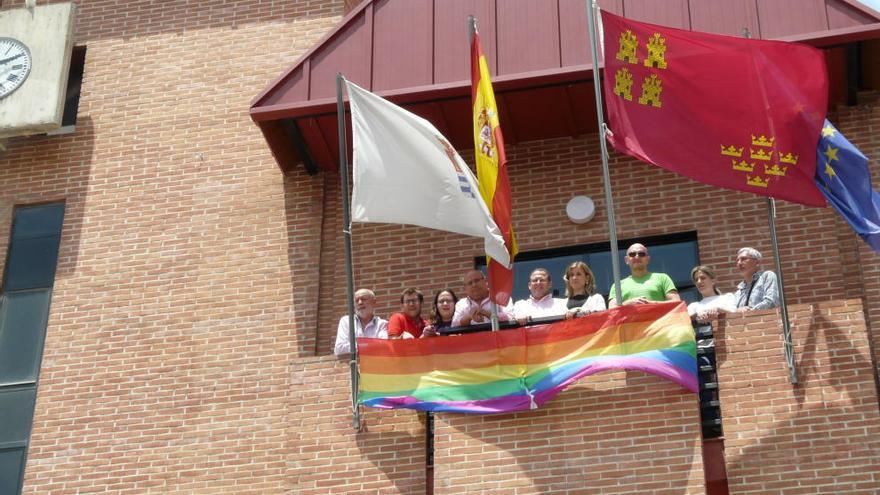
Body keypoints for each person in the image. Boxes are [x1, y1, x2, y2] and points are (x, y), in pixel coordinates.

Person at [608, 243, 680, 307]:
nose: (637, 257)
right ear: (626, 260)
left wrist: (652, 303)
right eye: (632, 254)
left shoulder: (663, 278)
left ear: (648, 259)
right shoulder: (618, 285)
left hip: (659, 322)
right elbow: (612, 309)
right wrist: (629, 303)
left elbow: (676, 301)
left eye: (641, 254)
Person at [333, 288, 388, 356]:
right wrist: (371, 346)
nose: (360, 303)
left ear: (374, 302)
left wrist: (357, 347)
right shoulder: (347, 321)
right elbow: (339, 348)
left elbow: (384, 346)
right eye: (356, 300)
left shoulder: (382, 324)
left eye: (363, 299)